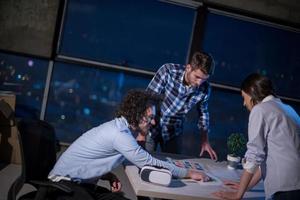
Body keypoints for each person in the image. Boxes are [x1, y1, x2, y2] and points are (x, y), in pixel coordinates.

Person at [48, 89, 209, 200]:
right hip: (63, 187)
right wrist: (189, 173)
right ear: (137, 114)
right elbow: (149, 162)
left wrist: (107, 175)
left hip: (74, 183)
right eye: (149, 117)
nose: (153, 122)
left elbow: (87, 160)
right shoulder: (120, 135)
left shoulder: (120, 128)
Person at [213, 73, 300, 200]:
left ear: (251, 92)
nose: (244, 103)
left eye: (244, 97)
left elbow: (254, 155)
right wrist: (246, 186)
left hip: (285, 187)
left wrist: (238, 195)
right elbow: (269, 156)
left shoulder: (260, 110)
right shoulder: (288, 110)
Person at [144, 51, 217, 160]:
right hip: (152, 126)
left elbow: (204, 114)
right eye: (197, 77)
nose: (199, 83)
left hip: (174, 132)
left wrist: (205, 140)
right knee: (144, 162)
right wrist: (143, 126)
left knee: (174, 165)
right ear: (188, 68)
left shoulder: (205, 89)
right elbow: (149, 97)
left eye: (204, 79)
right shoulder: (168, 71)